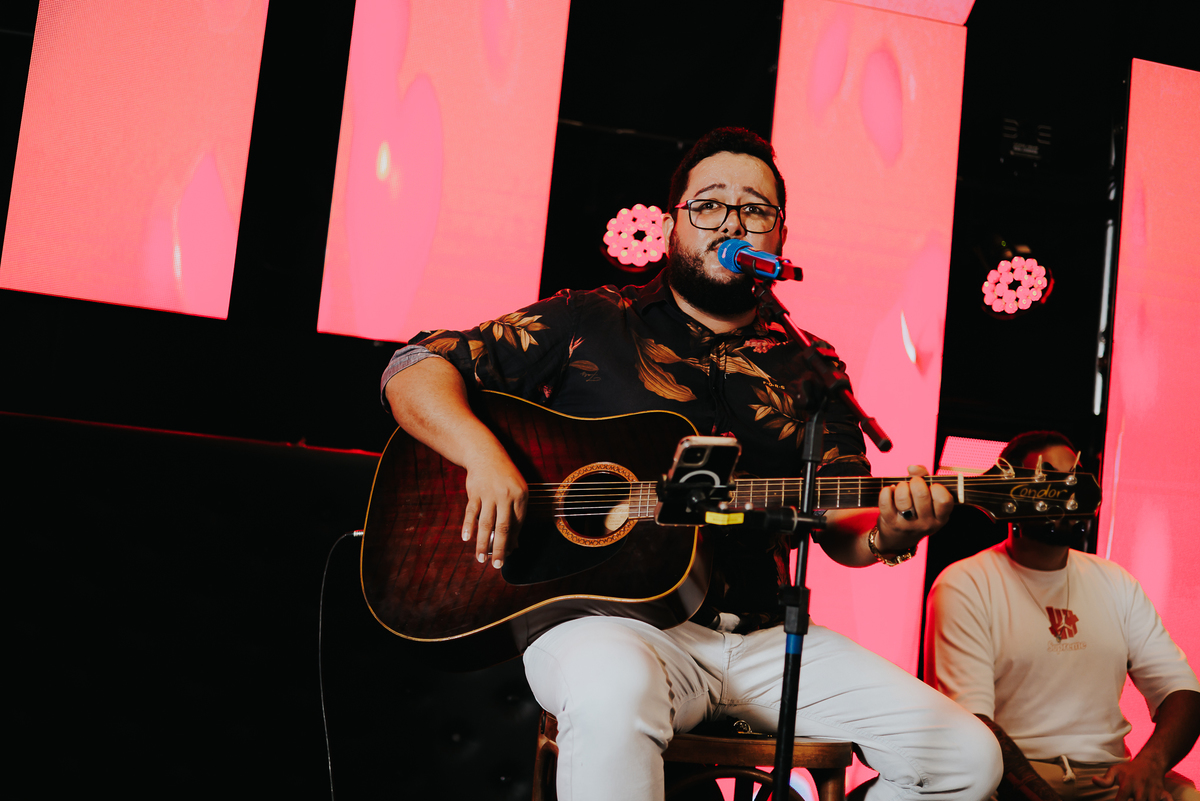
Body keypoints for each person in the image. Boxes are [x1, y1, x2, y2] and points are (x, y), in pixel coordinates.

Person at [382, 127, 1002, 801]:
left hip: (763, 640)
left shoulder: (812, 365)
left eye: (754, 209)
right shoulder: (591, 318)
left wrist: (889, 532)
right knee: (615, 689)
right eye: (709, 204)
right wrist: (483, 456)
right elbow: (414, 367)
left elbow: (839, 521)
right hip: (607, 626)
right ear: (674, 222)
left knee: (966, 756)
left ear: (779, 236)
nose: (732, 222)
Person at [923, 431, 1200, 801]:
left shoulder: (1115, 581)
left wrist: (1151, 763)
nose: (1064, 494)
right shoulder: (965, 583)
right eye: (1047, 479)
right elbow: (974, 728)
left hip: (1106, 775)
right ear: (1012, 493)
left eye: (1073, 480)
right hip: (1008, 778)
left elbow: (1181, 689)